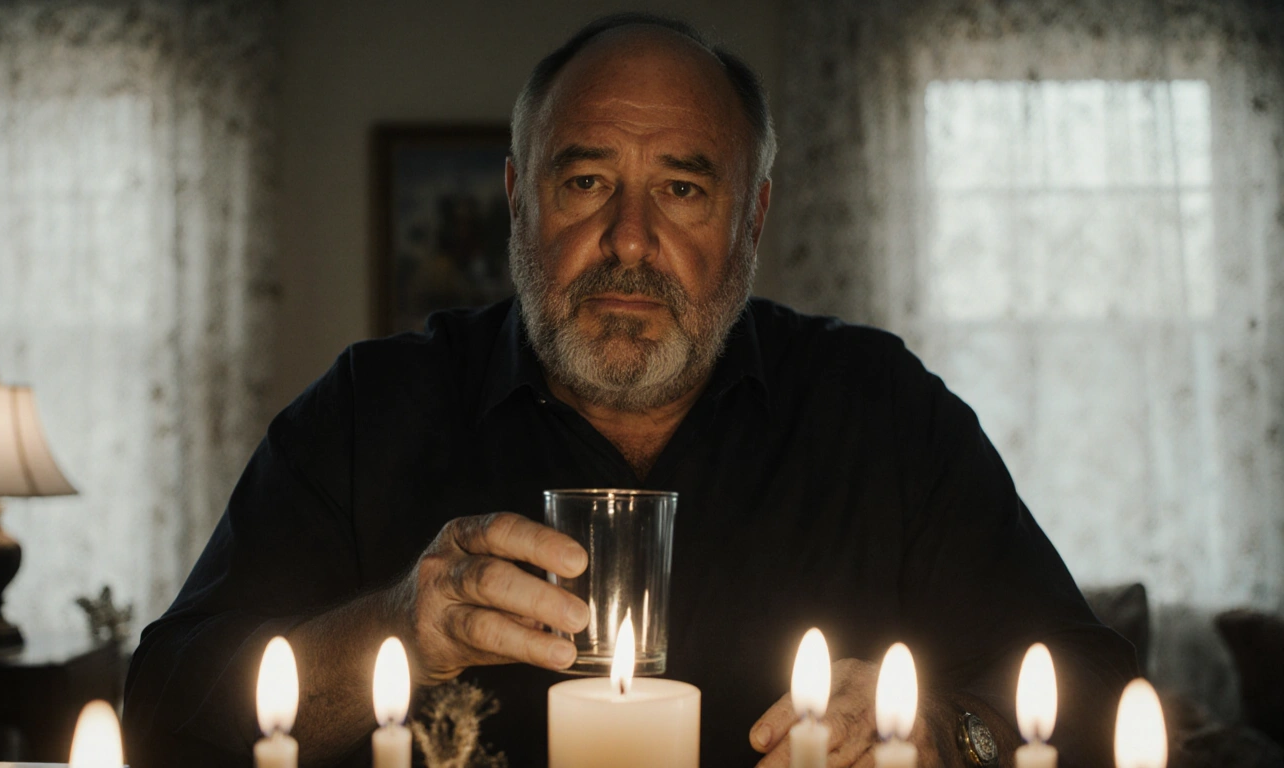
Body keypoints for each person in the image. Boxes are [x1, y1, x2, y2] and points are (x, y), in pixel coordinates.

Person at [124, 13, 1137, 768]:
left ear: (756, 216)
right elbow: (163, 717)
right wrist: (391, 631)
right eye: (586, 181)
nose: (631, 242)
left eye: (685, 191)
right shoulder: (366, 413)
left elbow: (1100, 700)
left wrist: (945, 731)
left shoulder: (885, 413)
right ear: (521, 197)